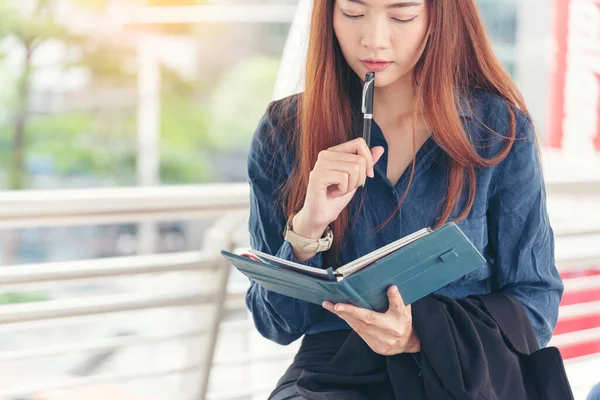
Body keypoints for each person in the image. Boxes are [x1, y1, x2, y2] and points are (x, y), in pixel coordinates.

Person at [245, 0, 564, 398]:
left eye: (402, 16)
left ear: (438, 18)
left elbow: (536, 302)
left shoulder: (498, 130)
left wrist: (419, 334)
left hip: (462, 377)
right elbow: (273, 323)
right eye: (353, 13)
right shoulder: (285, 131)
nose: (374, 40)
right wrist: (309, 226)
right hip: (332, 378)